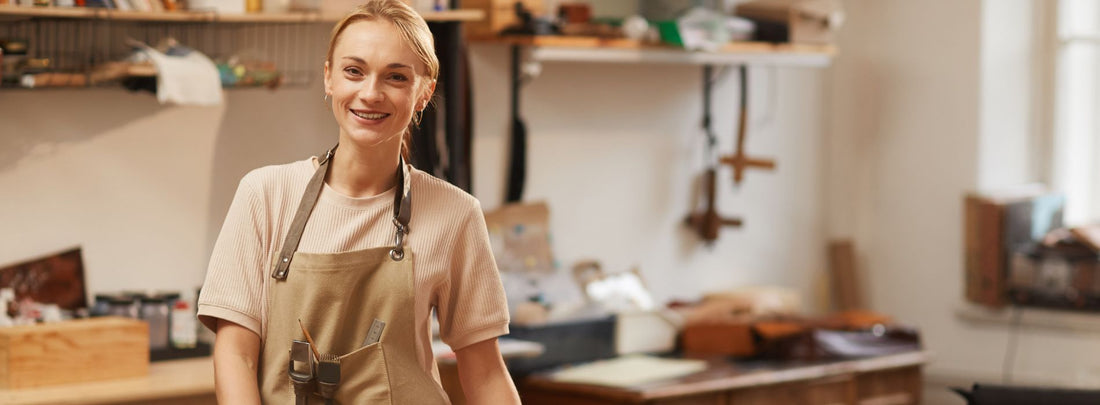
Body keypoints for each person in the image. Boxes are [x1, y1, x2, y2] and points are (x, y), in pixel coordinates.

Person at [196, 1, 520, 403]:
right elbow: (235, 355)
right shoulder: (264, 195)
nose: (370, 93)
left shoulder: (456, 213)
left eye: (396, 77)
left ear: (424, 93)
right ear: (329, 77)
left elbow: (485, 373)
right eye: (354, 71)